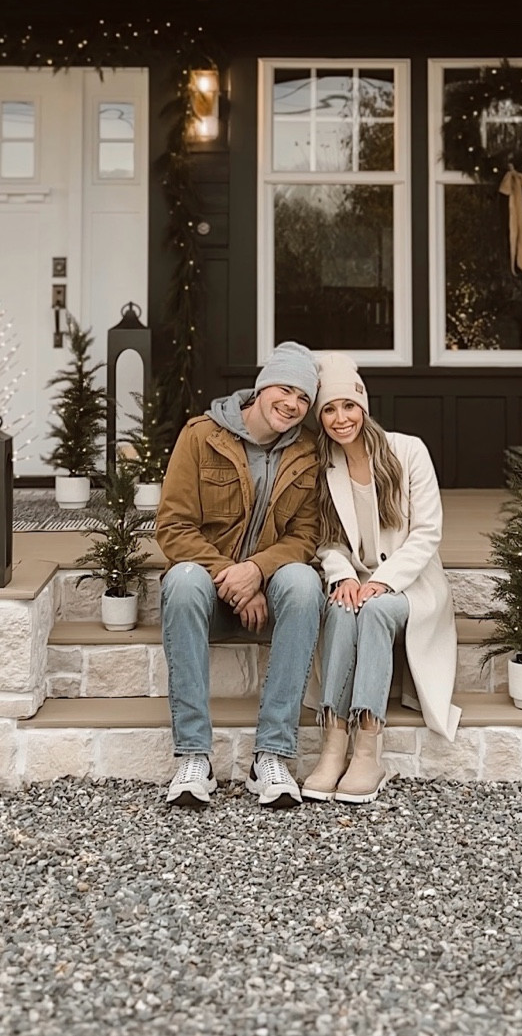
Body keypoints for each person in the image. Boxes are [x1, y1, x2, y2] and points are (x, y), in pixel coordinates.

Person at [155, 341, 323, 809]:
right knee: (184, 578)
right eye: (284, 390)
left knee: (306, 583)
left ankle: (271, 755)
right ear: (262, 386)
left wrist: (257, 571)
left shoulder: (308, 452)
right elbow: (173, 526)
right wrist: (232, 575)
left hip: (268, 599)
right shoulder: (200, 435)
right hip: (205, 595)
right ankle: (194, 759)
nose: (291, 404)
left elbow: (305, 536)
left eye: (303, 399)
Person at [302, 351, 461, 804]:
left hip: (411, 583)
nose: (340, 418)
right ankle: (333, 744)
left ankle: (368, 748)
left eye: (348, 406)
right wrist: (341, 576)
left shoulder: (407, 451)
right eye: (329, 409)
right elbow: (327, 539)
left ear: (363, 407)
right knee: (340, 610)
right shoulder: (322, 465)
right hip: (357, 579)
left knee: (372, 613)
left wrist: (383, 582)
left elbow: (428, 531)